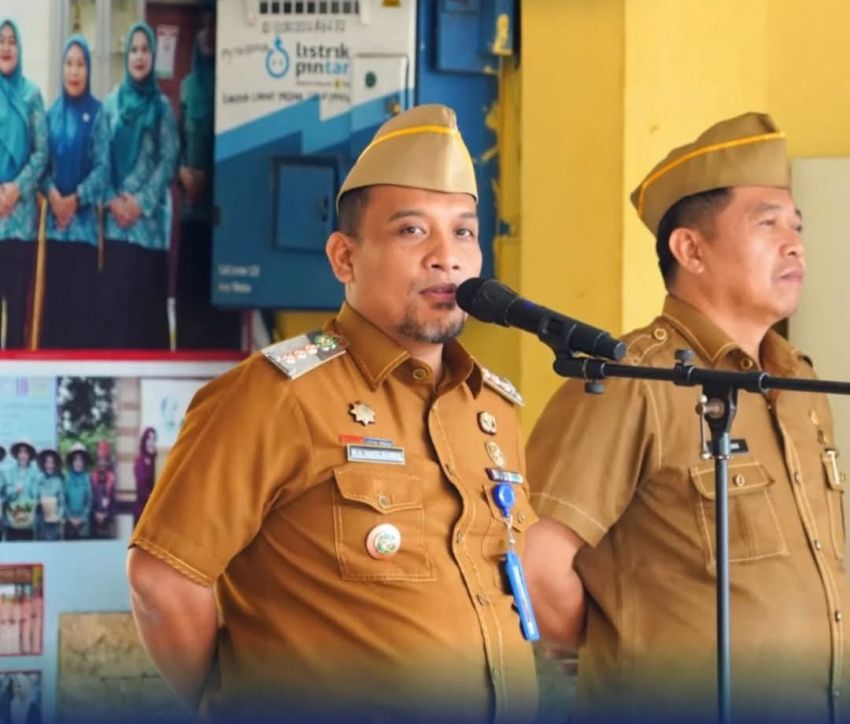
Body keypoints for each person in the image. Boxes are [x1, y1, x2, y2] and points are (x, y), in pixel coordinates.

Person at [127, 104, 539, 722]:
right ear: (344, 258)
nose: (445, 257)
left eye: (463, 231)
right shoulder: (276, 396)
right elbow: (163, 581)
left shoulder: (492, 409)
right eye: (411, 231)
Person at [524, 112, 849, 723]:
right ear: (690, 248)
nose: (795, 243)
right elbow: (536, 561)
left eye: (797, 226)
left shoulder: (800, 382)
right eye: (768, 223)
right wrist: (623, 665)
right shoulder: (631, 381)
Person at [100, 22, 178, 348]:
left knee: (147, 318)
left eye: (146, 49)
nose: (140, 56)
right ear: (127, 56)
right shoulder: (111, 104)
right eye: (134, 49)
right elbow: (100, 157)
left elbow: (169, 159)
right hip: (116, 226)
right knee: (116, 313)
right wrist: (115, 202)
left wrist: (140, 203)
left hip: (149, 227)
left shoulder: (162, 107)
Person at [175, 9, 240, 349]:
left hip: (222, 211)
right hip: (192, 210)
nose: (207, 33)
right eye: (203, 26)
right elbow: (177, 143)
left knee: (222, 305)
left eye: (215, 25)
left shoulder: (235, 86)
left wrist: (210, 176)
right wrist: (182, 172)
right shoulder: (188, 87)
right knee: (191, 294)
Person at [40, 35, 107, 349]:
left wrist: (75, 199)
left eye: (80, 64)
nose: (74, 71)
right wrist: (54, 196)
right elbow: (42, 165)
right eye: (69, 63)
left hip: (84, 235)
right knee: (55, 313)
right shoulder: (50, 116)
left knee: (82, 315)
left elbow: (103, 168)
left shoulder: (98, 114)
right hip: (54, 232)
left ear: (88, 70)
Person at [0, 19, 48, 350]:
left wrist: (16, 188)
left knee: (17, 308)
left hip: (20, 222)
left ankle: (12, 396)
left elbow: (42, 151)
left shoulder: (32, 95)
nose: (6, 47)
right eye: (1, 41)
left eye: (12, 41)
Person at [1, 441, 39, 541]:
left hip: (28, 521)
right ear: (17, 455)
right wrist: (15, 490)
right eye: (20, 452)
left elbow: (35, 495)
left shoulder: (35, 472)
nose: (23, 455)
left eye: (25, 452)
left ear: (29, 455)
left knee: (28, 553)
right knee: (12, 554)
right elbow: (6, 494)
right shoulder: (10, 471)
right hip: (12, 520)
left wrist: (27, 508)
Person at [63, 443, 92, 539]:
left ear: (84, 462)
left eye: (80, 460)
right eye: (75, 460)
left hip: (84, 522)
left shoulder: (87, 478)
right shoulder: (67, 478)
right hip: (69, 522)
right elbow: (63, 500)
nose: (78, 463)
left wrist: (82, 518)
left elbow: (89, 501)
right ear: (72, 462)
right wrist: (70, 518)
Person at [34, 449, 64, 541]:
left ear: (55, 465)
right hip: (41, 518)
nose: (49, 465)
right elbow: (34, 497)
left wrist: (59, 515)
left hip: (53, 521)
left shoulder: (58, 481)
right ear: (44, 464)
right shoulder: (38, 478)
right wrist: (40, 502)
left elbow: (62, 502)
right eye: (47, 462)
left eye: (52, 463)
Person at [90, 439, 116, 538]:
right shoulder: (91, 477)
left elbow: (113, 503)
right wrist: (95, 514)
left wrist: (106, 515)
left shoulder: (112, 479)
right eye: (100, 460)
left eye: (104, 460)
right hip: (93, 520)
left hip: (107, 522)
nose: (102, 463)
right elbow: (89, 499)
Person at [132, 427, 156, 526]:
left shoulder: (154, 461)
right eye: (149, 439)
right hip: (142, 509)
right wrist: (153, 498)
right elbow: (141, 485)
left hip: (154, 509)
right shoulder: (139, 461)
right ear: (144, 441)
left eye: (153, 440)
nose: (151, 443)